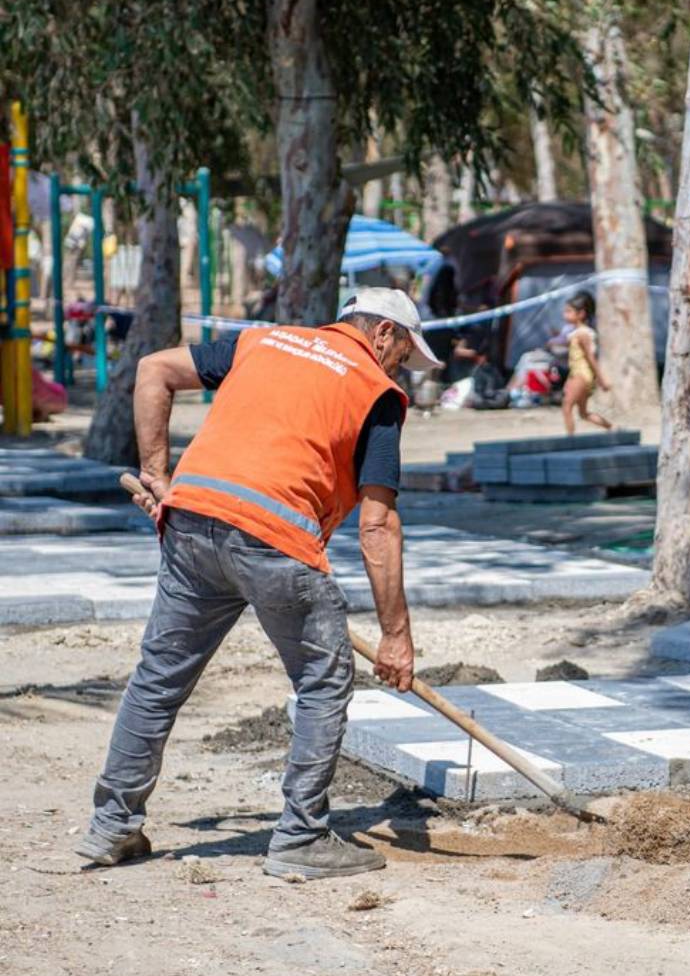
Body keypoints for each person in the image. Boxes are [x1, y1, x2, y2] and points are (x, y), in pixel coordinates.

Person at [74, 288, 441, 882]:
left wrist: (156, 473)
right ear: (381, 335)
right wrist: (397, 636)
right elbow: (378, 523)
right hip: (276, 538)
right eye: (402, 354)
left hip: (193, 520)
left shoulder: (263, 341)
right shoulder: (377, 391)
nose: (399, 367)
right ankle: (300, 837)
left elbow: (154, 370)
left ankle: (112, 826)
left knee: (158, 678)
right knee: (324, 682)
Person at [561, 292, 612, 435]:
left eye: (569, 311)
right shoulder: (576, 333)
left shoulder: (583, 334)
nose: (565, 315)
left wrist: (602, 380)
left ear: (581, 314)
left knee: (567, 407)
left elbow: (590, 358)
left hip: (581, 374)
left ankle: (570, 439)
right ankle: (612, 428)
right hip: (577, 374)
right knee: (583, 413)